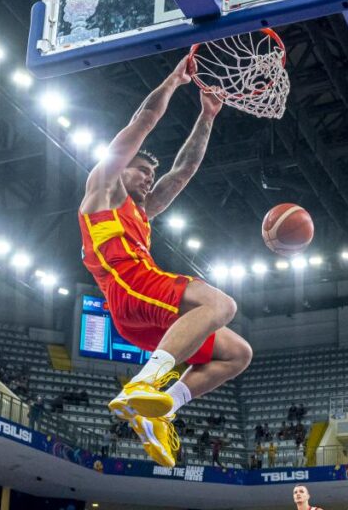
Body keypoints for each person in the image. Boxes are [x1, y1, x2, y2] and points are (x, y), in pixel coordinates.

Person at [78, 55, 252, 468]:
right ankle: (143, 383)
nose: (147, 176)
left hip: (140, 313)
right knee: (222, 305)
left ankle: (162, 409)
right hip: (132, 286)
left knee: (237, 353)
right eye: (139, 169)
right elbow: (142, 121)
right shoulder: (102, 192)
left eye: (148, 173)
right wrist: (174, 82)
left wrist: (208, 115)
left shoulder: (142, 212)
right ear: (119, 171)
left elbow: (184, 170)